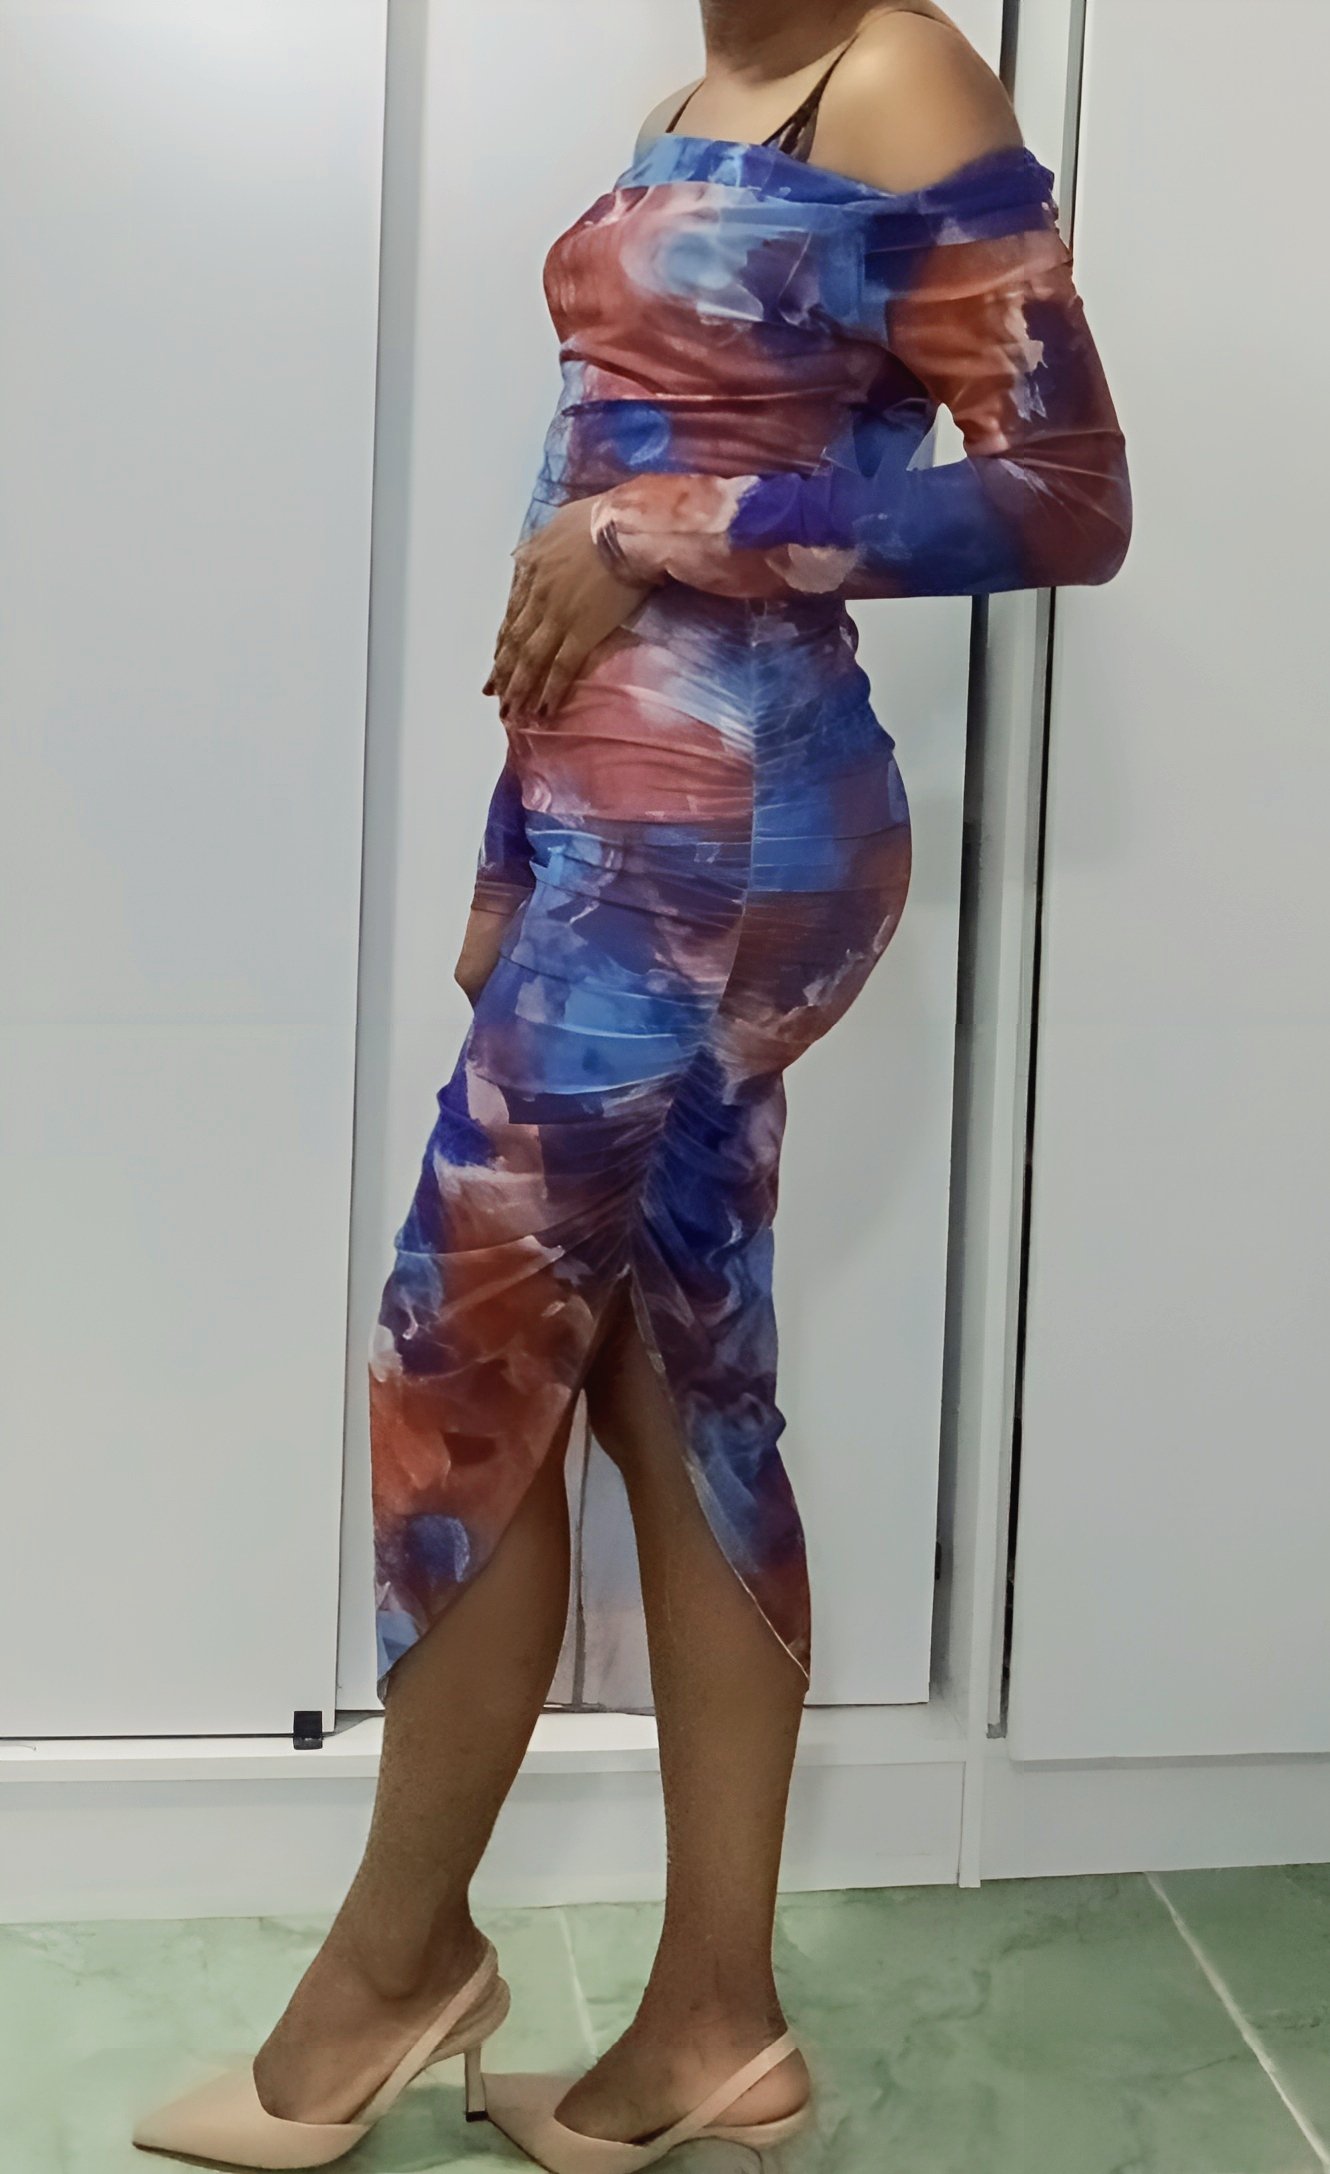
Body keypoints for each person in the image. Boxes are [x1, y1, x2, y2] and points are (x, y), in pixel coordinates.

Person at [132, 3, 1130, 2167]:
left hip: (731, 825)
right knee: (676, 1371)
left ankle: (396, 1965)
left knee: (457, 1358)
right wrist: (514, 839)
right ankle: (713, 2026)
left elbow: (1063, 496)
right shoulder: (686, 105)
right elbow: (571, 500)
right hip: (615, 833)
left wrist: (686, 523)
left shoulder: (894, 74)